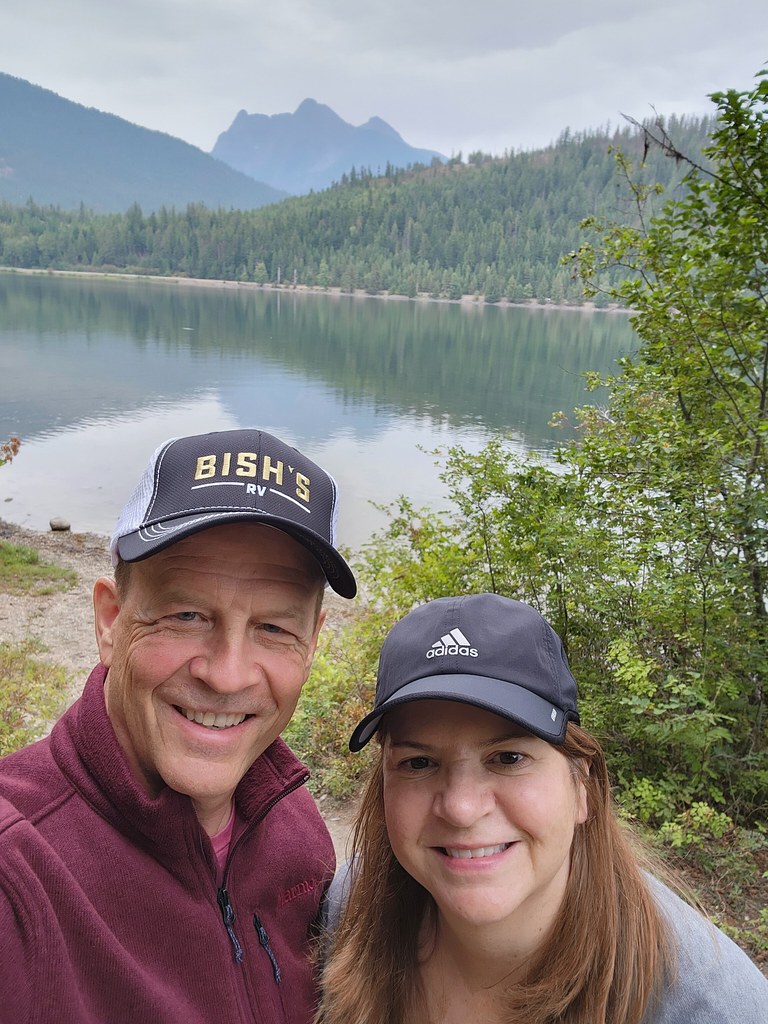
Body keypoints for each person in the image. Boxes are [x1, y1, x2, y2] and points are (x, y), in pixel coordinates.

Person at [0, 427, 357, 1024]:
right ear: (111, 621)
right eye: (187, 615)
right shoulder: (20, 876)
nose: (227, 674)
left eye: (273, 628)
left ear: (313, 641)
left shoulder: (291, 823)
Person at [319, 593, 768, 1024]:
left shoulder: (710, 1007)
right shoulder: (350, 912)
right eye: (419, 763)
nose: (460, 808)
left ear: (583, 785)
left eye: (509, 758)